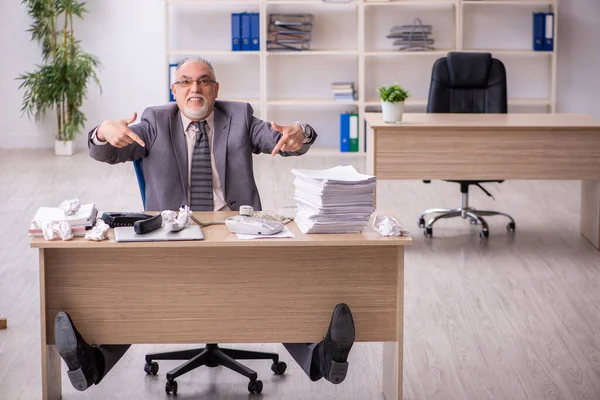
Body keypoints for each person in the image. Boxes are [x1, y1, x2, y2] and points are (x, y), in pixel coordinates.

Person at [54, 56, 355, 392]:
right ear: (174, 90)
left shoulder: (239, 116)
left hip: (237, 230)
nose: (194, 88)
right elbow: (107, 153)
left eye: (203, 81)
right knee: (139, 290)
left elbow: (282, 141)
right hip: (173, 234)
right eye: (185, 81)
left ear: (215, 89)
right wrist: (101, 131)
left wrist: (302, 131)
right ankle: (89, 362)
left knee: (275, 283)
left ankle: (323, 358)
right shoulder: (154, 120)